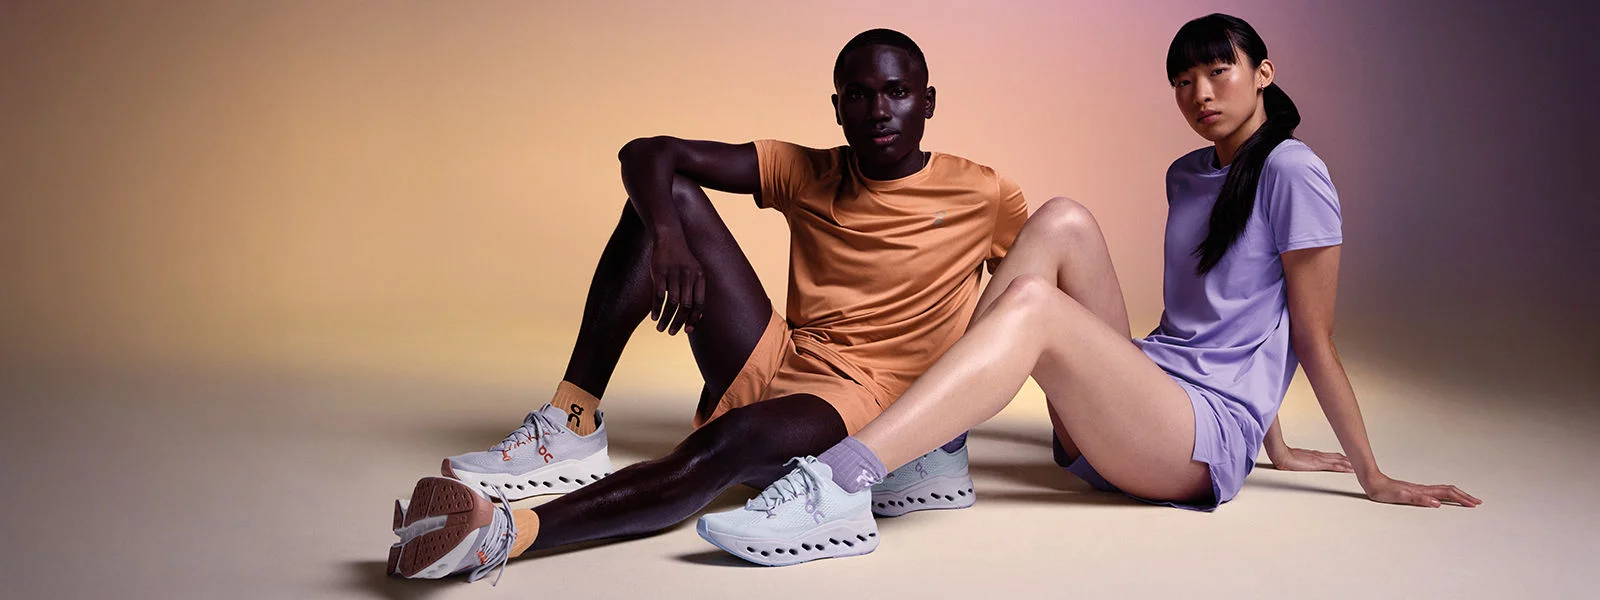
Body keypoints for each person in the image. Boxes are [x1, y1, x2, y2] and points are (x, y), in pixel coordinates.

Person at [698, 13, 1481, 567]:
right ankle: (933, 453)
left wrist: (1359, 471)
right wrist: (1276, 444)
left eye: (1219, 70)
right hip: (1141, 404)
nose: (1200, 92)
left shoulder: (1295, 172)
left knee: (1038, 306)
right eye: (1183, 79)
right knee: (1063, 218)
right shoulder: (1189, 173)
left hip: (1187, 446)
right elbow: (1224, 323)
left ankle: (843, 480)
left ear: (1263, 74)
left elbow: (1307, 335)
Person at [386, 28, 1032, 583]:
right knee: (666, 199)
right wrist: (670, 241)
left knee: (727, 445)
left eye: (896, 92)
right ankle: (571, 422)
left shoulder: (985, 194)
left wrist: (1053, 427)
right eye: (859, 95)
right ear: (837, 109)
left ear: (928, 101)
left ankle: (504, 532)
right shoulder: (809, 169)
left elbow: (1030, 314)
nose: (879, 110)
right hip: (783, 358)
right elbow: (648, 153)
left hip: (869, 400)